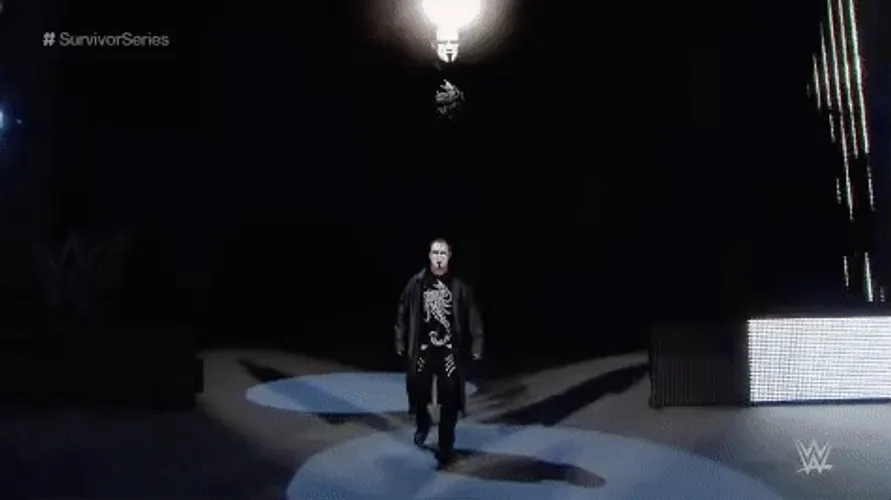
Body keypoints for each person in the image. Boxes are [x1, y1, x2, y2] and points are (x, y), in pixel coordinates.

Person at [394, 238, 484, 466]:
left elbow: (472, 314)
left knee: (450, 399)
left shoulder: (458, 286)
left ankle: (445, 447)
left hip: (448, 350)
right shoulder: (416, 283)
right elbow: (403, 311)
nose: (439, 257)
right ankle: (422, 419)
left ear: (449, 256)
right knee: (417, 390)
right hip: (422, 349)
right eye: (435, 252)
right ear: (429, 255)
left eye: (443, 253)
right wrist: (400, 339)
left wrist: (477, 343)